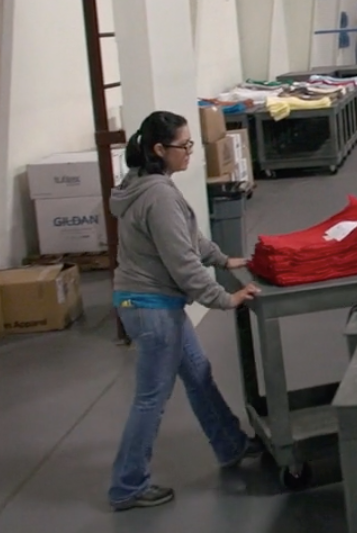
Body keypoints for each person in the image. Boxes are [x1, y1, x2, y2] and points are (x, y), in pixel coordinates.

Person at [107, 111, 263, 511]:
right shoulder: (158, 195)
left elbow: (187, 237)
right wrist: (223, 298)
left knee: (199, 376)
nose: (190, 152)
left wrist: (223, 258)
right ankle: (127, 486)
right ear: (160, 150)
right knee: (151, 399)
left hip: (149, 302)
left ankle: (230, 444)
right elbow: (182, 260)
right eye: (184, 146)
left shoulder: (143, 184)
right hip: (151, 307)